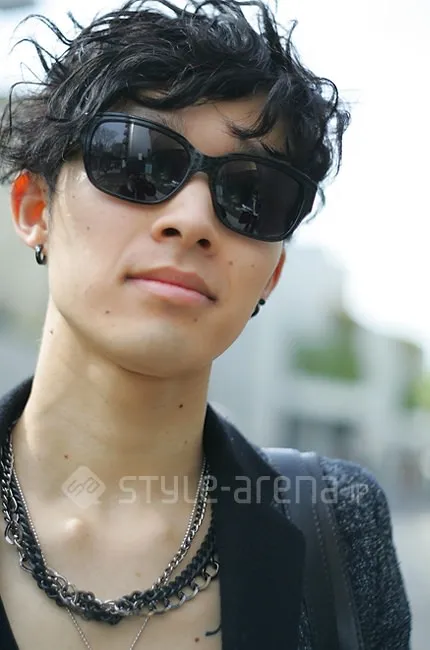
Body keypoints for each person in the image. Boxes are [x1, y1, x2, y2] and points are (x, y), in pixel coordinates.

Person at [0, 1, 411, 649]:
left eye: (254, 194)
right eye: (137, 158)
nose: (192, 221)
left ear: (270, 277)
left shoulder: (340, 522)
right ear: (33, 208)